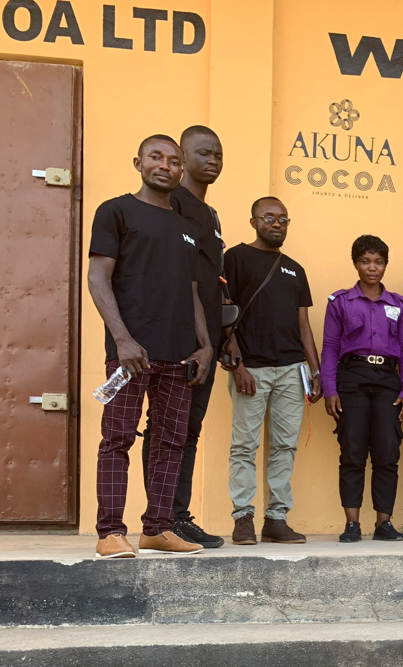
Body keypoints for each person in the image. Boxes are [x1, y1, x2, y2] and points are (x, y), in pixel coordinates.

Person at [88, 134, 213, 558]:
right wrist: (122, 339)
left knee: (169, 442)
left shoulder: (186, 227)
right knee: (117, 438)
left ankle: (158, 528)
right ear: (138, 162)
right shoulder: (116, 211)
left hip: (179, 357)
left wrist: (205, 346)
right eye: (156, 157)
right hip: (131, 355)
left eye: (174, 160)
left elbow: (192, 291)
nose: (166, 165)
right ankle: (110, 532)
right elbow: (97, 277)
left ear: (181, 170)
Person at [140, 125, 226, 549]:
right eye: (203, 153)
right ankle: (163, 518)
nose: (212, 161)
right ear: (183, 155)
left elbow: (212, 279)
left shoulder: (208, 214)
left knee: (187, 431)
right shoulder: (169, 204)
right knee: (165, 429)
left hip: (208, 338)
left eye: (218, 155)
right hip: (179, 338)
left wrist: (222, 338)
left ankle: (175, 514)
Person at [224, 197, 322, 546]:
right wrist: (236, 364)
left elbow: (303, 325)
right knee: (244, 446)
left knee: (284, 446)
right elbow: (224, 313)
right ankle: (243, 518)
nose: (277, 224)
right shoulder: (234, 258)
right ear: (253, 222)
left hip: (291, 370)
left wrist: (315, 369)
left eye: (283, 219)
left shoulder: (295, 269)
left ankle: (276, 519)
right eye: (269, 218)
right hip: (251, 367)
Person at [323, 235, 403, 543]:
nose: (372, 268)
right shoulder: (340, 302)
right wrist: (330, 388)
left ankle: (383, 523)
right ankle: (352, 523)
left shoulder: (399, 305)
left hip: (388, 381)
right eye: (365, 261)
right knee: (352, 449)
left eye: (378, 262)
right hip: (352, 378)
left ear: (386, 265)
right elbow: (331, 347)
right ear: (356, 264)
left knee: (387, 450)